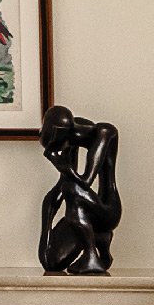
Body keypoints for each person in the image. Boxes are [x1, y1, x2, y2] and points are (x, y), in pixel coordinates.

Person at [39, 104, 122, 274]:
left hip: (108, 212)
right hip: (87, 211)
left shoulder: (104, 132)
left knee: (71, 189)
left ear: (61, 132)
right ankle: (99, 239)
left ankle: (91, 256)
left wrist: (58, 163)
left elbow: (85, 181)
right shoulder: (72, 136)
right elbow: (60, 187)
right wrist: (46, 228)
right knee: (53, 263)